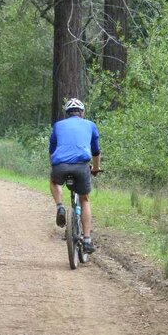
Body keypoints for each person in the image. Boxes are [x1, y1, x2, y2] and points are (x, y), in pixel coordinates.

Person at [49, 98, 101, 254]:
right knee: (84, 199)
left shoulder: (58, 125)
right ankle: (86, 240)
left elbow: (51, 151)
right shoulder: (90, 125)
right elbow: (96, 152)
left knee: (54, 182)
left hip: (60, 165)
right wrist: (96, 169)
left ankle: (59, 206)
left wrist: (55, 167)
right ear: (82, 113)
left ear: (67, 114)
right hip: (81, 166)